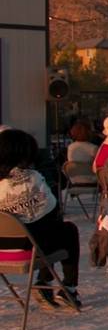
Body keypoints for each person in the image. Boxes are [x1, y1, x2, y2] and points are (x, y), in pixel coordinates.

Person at [0, 129, 82, 309]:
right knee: (67, 230)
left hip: (2, 252)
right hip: (29, 252)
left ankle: (44, 282)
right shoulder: (33, 178)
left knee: (46, 231)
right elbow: (51, 213)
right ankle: (67, 287)